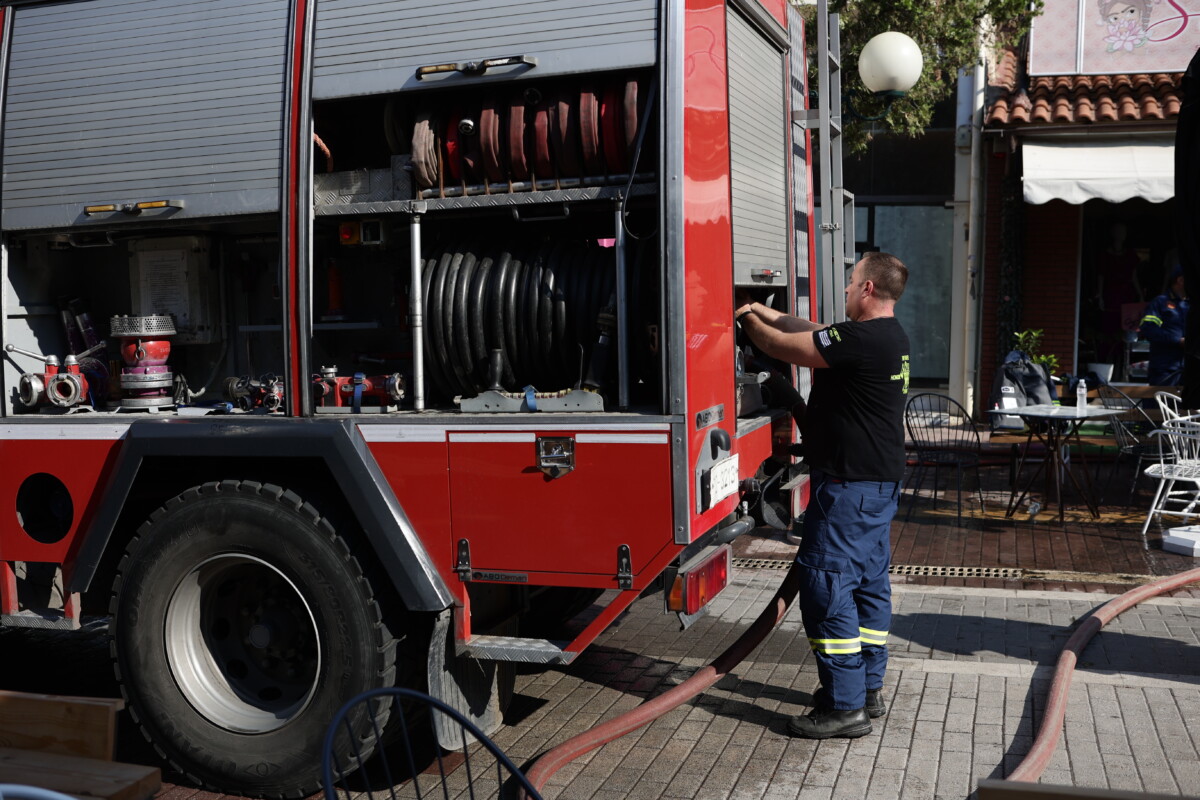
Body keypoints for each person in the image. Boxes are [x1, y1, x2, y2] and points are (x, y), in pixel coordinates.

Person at [734, 251, 910, 740]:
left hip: (851, 491)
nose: (848, 290)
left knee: (826, 586)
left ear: (869, 289)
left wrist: (746, 317)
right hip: (874, 488)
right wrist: (761, 307)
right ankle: (868, 689)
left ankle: (844, 705)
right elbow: (805, 328)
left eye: (853, 283)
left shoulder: (860, 339)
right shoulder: (886, 336)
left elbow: (785, 346)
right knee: (867, 586)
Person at [1139, 264, 1189, 386]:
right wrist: (1177, 341)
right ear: (1180, 280)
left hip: (1190, 369)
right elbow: (1148, 329)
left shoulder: (1193, 305)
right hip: (1164, 369)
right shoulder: (1160, 303)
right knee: (1158, 404)